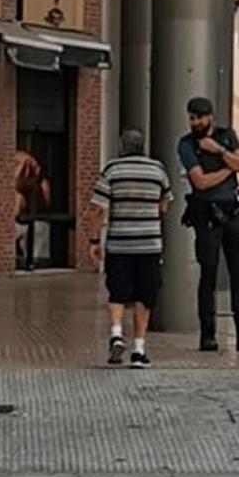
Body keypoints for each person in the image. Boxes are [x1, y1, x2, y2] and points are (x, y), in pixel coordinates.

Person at [177, 96, 239, 352]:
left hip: (233, 212)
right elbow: (201, 182)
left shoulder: (226, 136)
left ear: (210, 117)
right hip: (206, 214)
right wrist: (229, 170)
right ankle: (208, 336)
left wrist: (219, 152)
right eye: (192, 117)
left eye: (199, 117)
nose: (194, 122)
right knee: (209, 274)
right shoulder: (187, 145)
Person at [89, 128, 172, 368]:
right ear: (142, 145)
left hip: (119, 244)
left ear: (121, 146)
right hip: (149, 244)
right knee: (144, 296)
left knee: (117, 292)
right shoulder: (158, 169)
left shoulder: (112, 169)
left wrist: (94, 241)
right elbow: (164, 206)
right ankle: (138, 350)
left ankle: (116, 334)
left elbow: (98, 209)